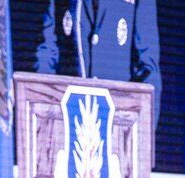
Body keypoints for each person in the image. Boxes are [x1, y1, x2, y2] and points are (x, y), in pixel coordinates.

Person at [34, 0, 162, 128]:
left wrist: (143, 129)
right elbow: (47, 54)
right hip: (67, 119)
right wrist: (43, 114)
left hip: (118, 123)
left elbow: (148, 69)